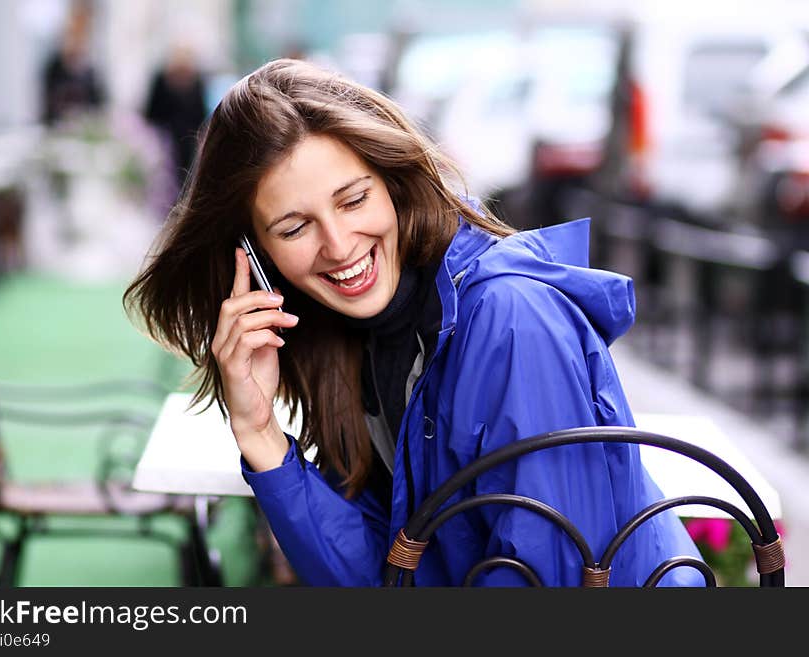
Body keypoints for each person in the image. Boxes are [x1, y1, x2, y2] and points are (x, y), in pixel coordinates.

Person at [123, 58, 705, 587]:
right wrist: (259, 434)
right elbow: (386, 575)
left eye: (353, 201)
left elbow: (550, 580)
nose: (339, 245)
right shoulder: (364, 337)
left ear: (394, 185)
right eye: (295, 228)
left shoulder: (511, 320)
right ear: (256, 258)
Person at [143, 42, 209, 191]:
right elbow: (152, 113)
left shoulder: (197, 81)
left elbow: (200, 114)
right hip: (165, 140)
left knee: (186, 180)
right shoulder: (162, 79)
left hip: (189, 141)